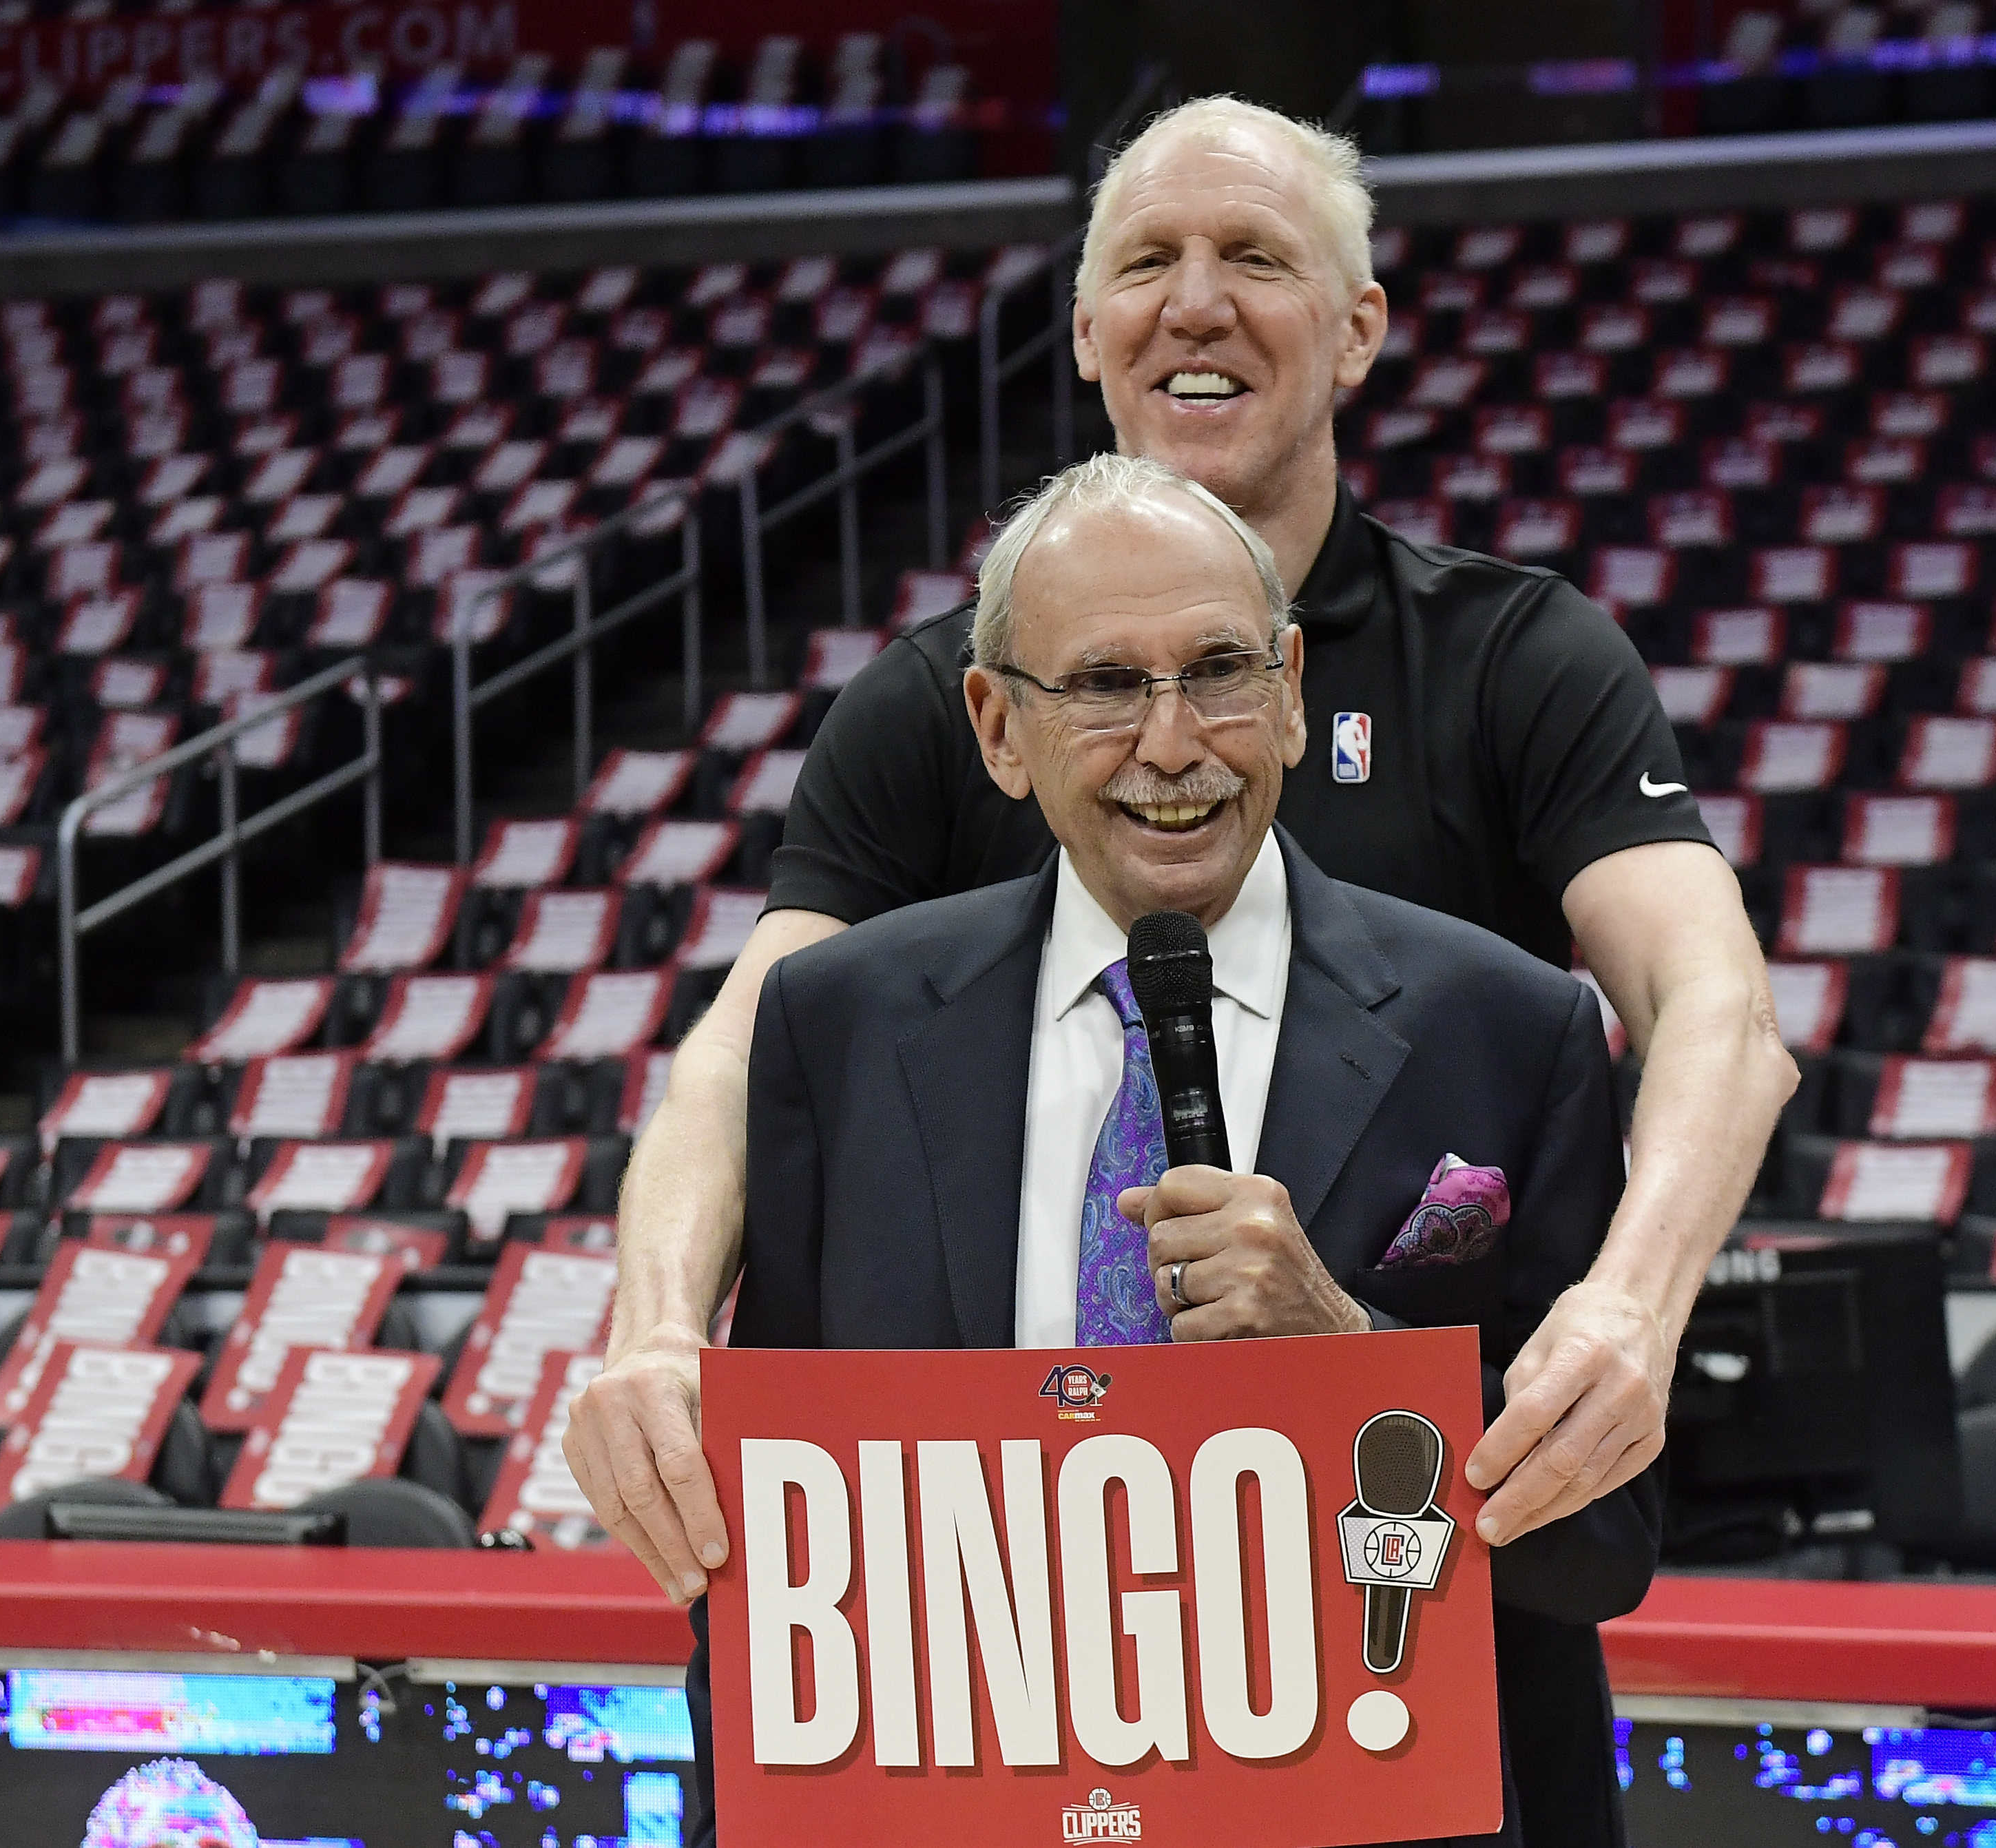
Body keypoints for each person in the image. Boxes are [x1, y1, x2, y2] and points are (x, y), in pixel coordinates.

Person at [572, 92, 1796, 1842]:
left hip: (1400, 1699)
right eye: (1147, 260)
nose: (1195, 303)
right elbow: (742, 1050)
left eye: (1256, 259)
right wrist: (658, 1330)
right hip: (1001, 1720)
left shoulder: (1522, 665)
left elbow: (1717, 1016)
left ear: (1362, 327)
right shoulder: (937, 697)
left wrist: (1622, 1310)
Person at [687, 453, 1659, 1848]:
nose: (1172, 739)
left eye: (1218, 670)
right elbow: (776, 1564)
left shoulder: (1508, 1027)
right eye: (1100, 685)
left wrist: (1345, 1347)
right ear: (997, 726)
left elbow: (1604, 1553)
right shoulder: (839, 1028)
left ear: (1292, 687)